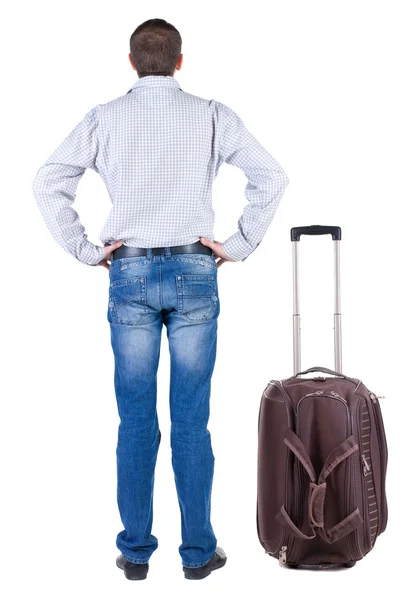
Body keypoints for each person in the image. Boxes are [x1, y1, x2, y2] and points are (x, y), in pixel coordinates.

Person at [32, 17, 289, 580]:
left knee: (135, 421)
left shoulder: (104, 118)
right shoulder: (212, 115)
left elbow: (47, 180)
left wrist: (85, 249)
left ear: (131, 63)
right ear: (179, 61)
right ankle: (198, 555)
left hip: (129, 275)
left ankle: (136, 552)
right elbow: (271, 176)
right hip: (196, 270)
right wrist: (239, 245)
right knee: (192, 422)